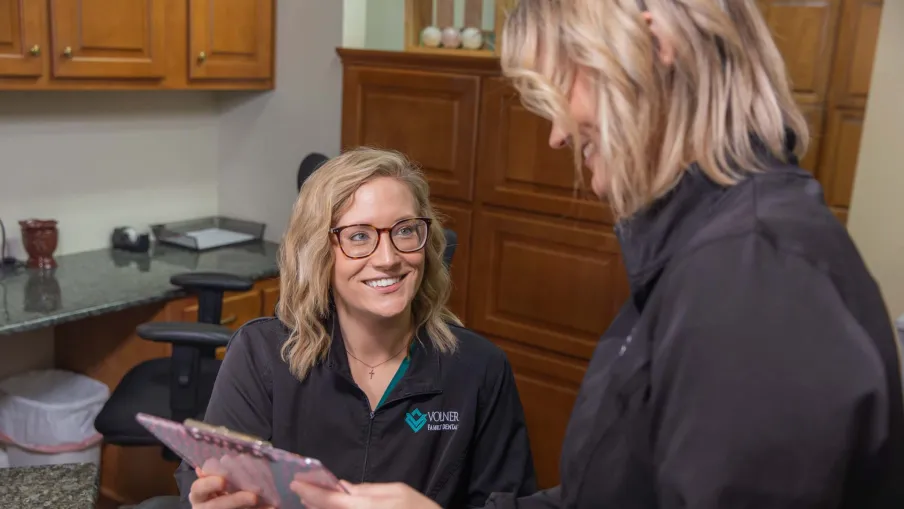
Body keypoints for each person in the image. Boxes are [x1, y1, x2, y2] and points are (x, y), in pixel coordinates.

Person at [289, 1, 904, 508]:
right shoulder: (706, 259)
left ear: (653, 43)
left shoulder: (755, 276)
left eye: (563, 85)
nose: (557, 133)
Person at [179, 147, 538, 508]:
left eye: (405, 230)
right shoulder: (261, 353)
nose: (388, 259)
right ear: (319, 252)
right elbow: (209, 479)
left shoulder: (479, 368)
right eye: (359, 236)